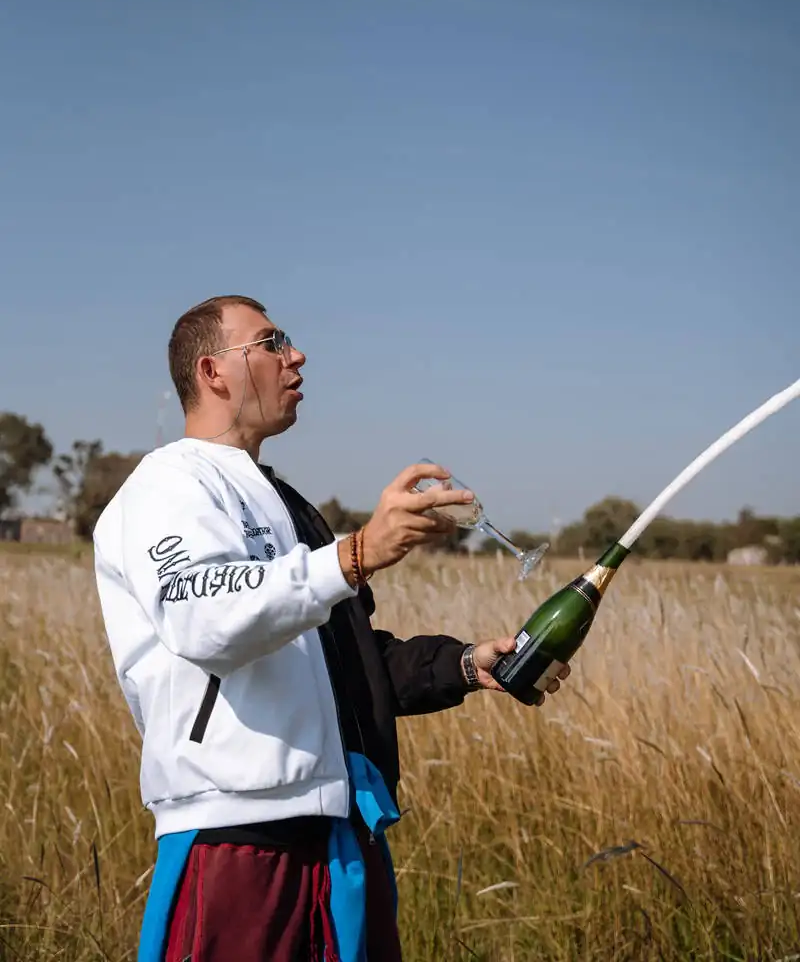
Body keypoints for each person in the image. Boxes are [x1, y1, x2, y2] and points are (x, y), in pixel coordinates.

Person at [93, 295, 570, 962]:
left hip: (343, 839)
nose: (298, 354)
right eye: (272, 341)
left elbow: (346, 662)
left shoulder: (290, 507)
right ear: (212, 371)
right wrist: (355, 554)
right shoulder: (166, 488)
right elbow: (203, 619)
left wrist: (464, 665)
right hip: (236, 842)